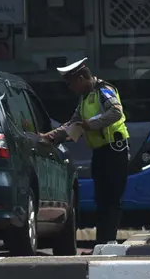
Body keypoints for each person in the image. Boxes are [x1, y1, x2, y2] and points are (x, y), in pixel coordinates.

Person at [40, 57, 130, 250]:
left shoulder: (104, 91)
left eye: (70, 83)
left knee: (112, 198)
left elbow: (116, 112)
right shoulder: (84, 99)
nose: (70, 88)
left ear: (81, 79)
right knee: (101, 199)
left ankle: (108, 242)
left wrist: (90, 124)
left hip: (115, 150)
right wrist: (49, 137)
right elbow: (72, 124)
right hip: (100, 152)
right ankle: (102, 243)